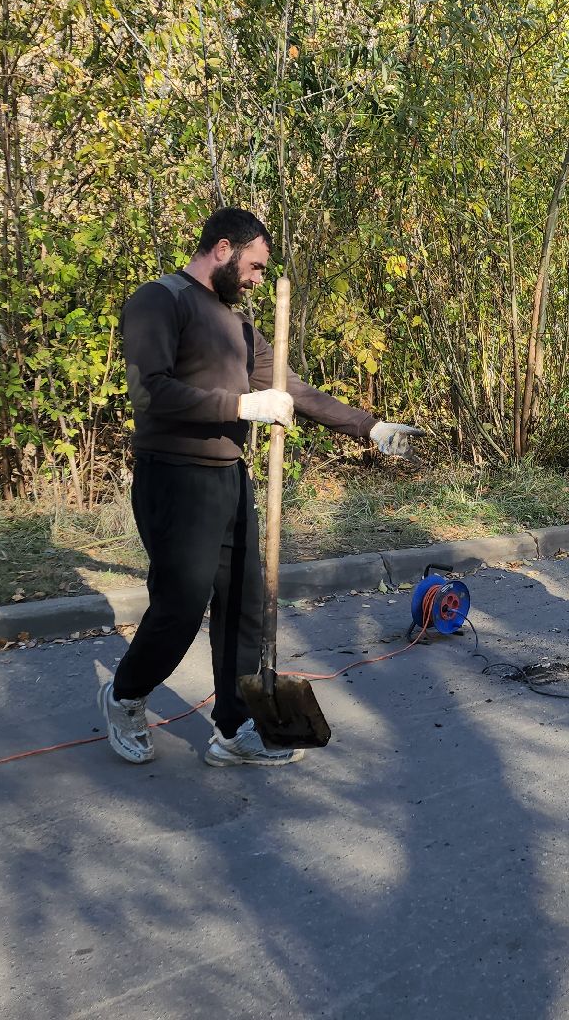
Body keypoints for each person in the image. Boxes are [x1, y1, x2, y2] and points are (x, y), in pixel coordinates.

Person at [99, 207, 424, 767]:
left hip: (229, 479)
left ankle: (234, 726)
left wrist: (370, 426)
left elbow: (291, 390)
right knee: (179, 608)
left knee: (246, 607)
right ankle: (125, 695)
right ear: (222, 249)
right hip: (174, 480)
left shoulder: (241, 327)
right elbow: (150, 392)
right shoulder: (160, 300)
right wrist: (242, 404)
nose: (254, 279)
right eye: (252, 266)